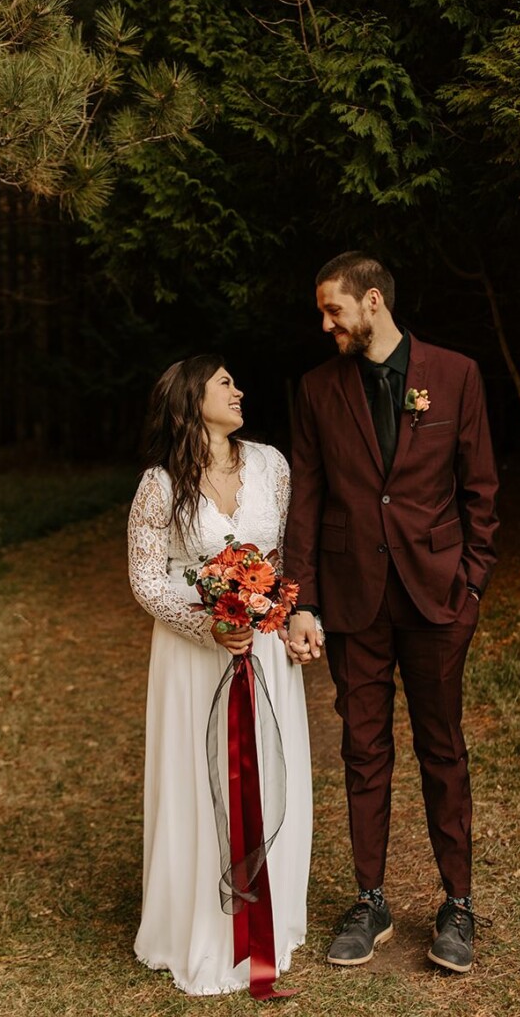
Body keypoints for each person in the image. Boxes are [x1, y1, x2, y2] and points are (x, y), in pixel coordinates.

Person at [283, 251, 499, 974]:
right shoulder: (315, 390)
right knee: (363, 749)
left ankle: (457, 905)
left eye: (333, 309)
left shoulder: (456, 375)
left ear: (372, 303)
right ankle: (369, 898)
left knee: (443, 749)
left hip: (438, 597)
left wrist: (470, 589)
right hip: (352, 603)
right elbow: (306, 500)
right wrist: (303, 600)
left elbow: (482, 493)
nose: (325, 324)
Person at [127, 354, 313, 997]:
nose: (239, 390)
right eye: (225, 382)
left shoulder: (271, 465)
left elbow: (285, 557)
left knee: (267, 765)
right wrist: (205, 623)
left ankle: (268, 917)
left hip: (262, 652)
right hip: (192, 658)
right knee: (198, 775)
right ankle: (199, 924)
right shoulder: (159, 483)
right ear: (191, 399)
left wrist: (286, 619)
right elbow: (146, 579)